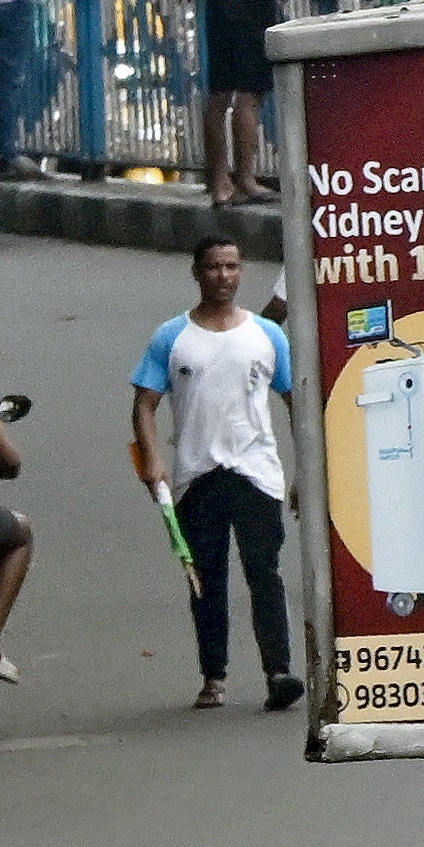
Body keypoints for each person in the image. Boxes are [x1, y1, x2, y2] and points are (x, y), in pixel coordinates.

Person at [128, 238, 296, 711]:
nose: (223, 275)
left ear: (241, 272)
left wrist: (306, 471)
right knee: (205, 579)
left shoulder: (267, 335)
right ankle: (214, 676)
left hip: (257, 472)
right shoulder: (171, 337)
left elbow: (294, 400)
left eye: (232, 266)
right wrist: (153, 460)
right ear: (197, 273)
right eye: (214, 267)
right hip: (197, 474)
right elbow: (144, 404)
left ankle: (279, 671)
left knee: (265, 571)